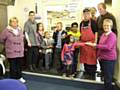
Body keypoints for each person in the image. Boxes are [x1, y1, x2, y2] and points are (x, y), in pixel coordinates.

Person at [86, 19, 117, 90]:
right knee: (105, 76)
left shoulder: (112, 36)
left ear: (111, 26)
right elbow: (100, 46)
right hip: (102, 59)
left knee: (108, 78)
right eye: (104, 25)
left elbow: (108, 47)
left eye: (107, 25)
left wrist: (94, 45)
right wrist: (98, 56)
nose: (106, 27)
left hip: (109, 60)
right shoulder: (103, 34)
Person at [0, 17, 26, 83]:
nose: (15, 23)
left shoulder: (20, 30)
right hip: (11, 51)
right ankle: (13, 79)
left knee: (19, 66)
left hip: (20, 51)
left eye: (16, 22)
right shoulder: (6, 30)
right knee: (13, 66)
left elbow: (22, 39)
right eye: (13, 21)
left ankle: (19, 77)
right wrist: (8, 45)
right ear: (10, 23)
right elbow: (1, 39)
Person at [97, 2, 118, 79]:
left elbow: (114, 30)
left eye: (100, 9)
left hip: (108, 41)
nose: (99, 10)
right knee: (100, 59)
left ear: (105, 8)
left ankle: (107, 76)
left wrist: (113, 42)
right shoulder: (99, 17)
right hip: (101, 39)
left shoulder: (110, 16)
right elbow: (97, 30)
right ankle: (103, 73)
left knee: (108, 65)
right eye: (98, 9)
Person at [79, 8, 98, 80]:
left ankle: (92, 74)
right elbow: (80, 34)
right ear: (83, 15)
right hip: (84, 44)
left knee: (92, 59)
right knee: (85, 59)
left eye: (87, 14)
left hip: (91, 43)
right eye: (84, 14)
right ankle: (86, 72)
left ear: (89, 14)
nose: (86, 15)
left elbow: (96, 32)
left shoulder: (93, 22)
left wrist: (95, 43)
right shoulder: (81, 23)